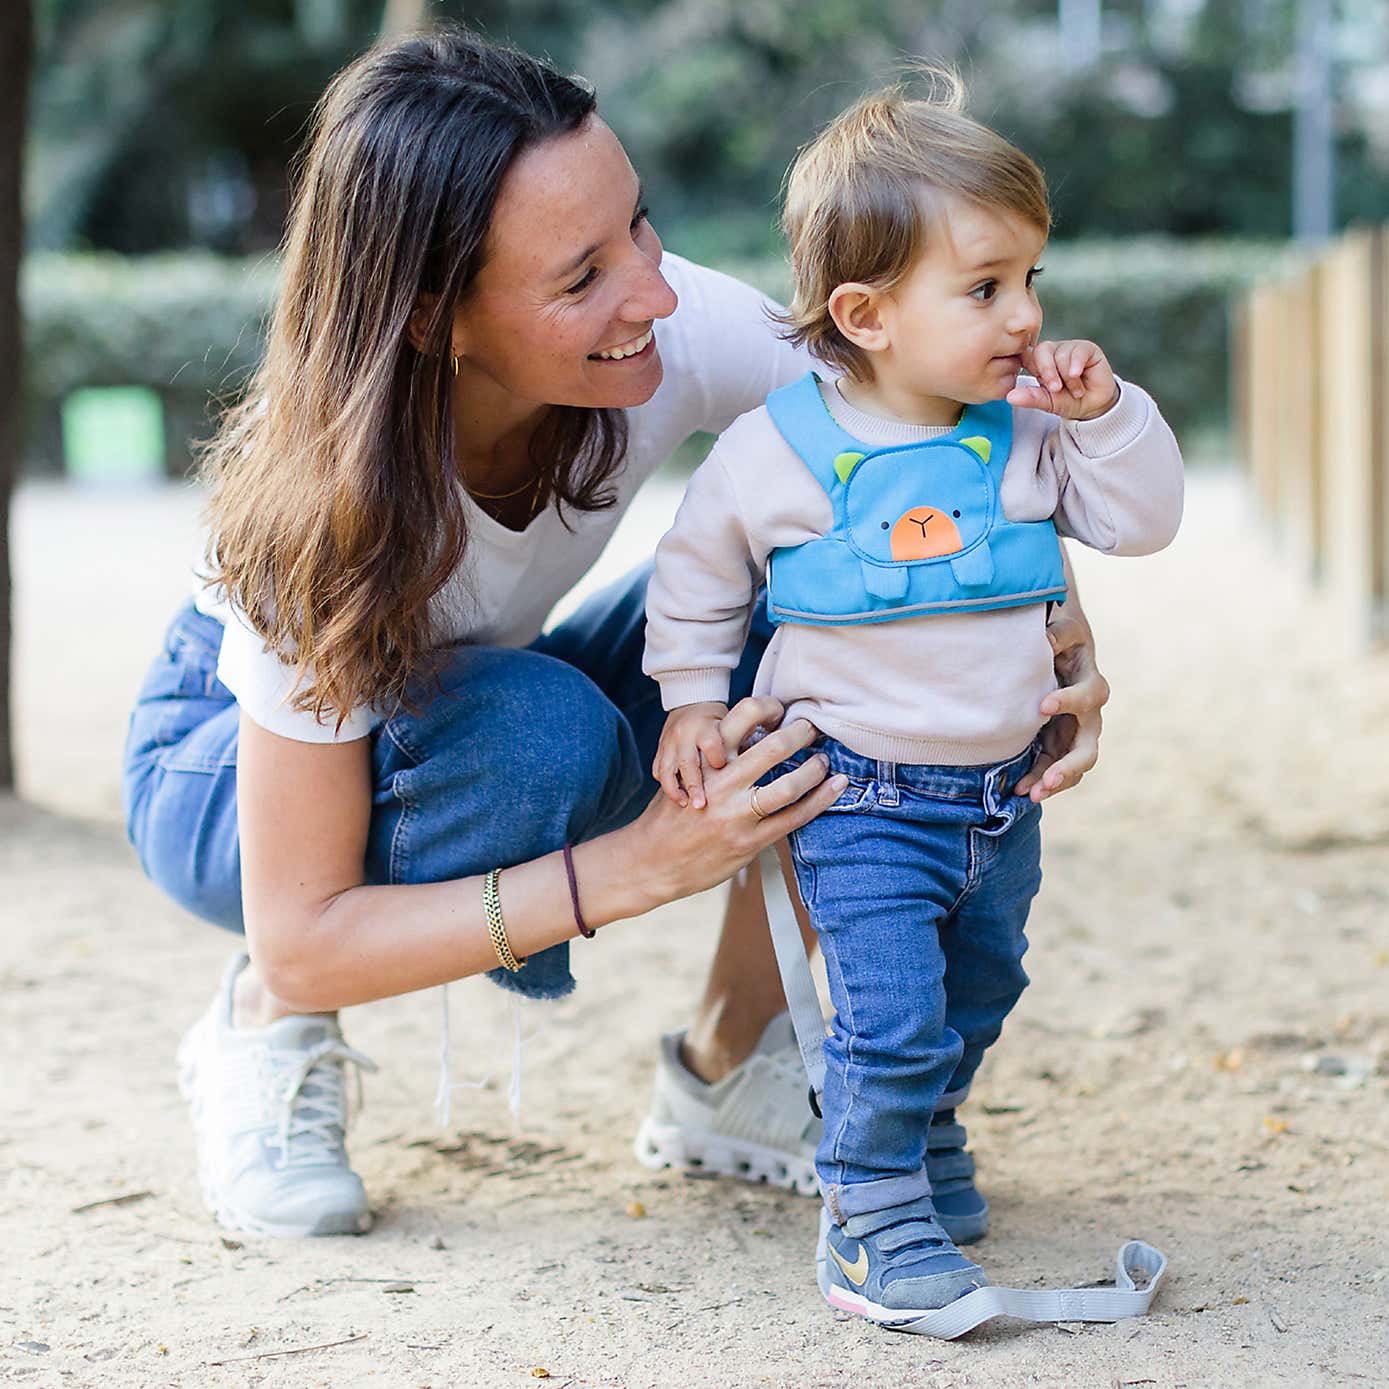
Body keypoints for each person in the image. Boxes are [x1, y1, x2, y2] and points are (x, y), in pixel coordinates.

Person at [121, 29, 1111, 1240]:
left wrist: (1052, 628)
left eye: (637, 224)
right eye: (580, 275)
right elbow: (311, 931)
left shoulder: (665, 317)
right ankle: (263, 1031)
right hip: (221, 770)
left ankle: (738, 1063)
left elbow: (929, 429)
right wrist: (634, 869)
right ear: (433, 317)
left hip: (491, 691)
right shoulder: (317, 511)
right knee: (535, 737)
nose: (652, 288)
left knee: (802, 606)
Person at [643, 79, 1183, 1325]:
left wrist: (1109, 416)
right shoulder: (775, 450)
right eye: (986, 288)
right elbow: (695, 575)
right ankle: (872, 1213)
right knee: (888, 1015)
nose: (1028, 316)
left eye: (1032, 280)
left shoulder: (1034, 431)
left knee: (980, 991)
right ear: (867, 313)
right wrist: (685, 703)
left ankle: (927, 1138)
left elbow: (1144, 524)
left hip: (1004, 794)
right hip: (860, 794)